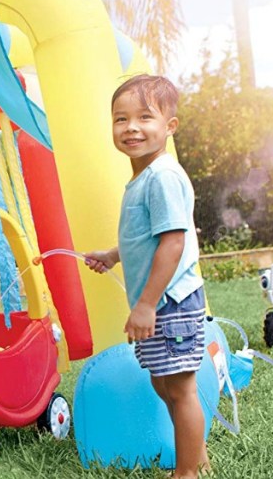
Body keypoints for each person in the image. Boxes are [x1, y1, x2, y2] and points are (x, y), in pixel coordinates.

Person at [84, 75, 209, 478]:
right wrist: (113, 255)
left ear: (169, 126)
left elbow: (173, 242)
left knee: (180, 387)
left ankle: (188, 472)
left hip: (170, 301)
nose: (131, 127)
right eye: (121, 119)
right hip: (161, 302)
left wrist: (146, 304)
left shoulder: (162, 177)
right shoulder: (145, 178)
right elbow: (148, 236)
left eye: (144, 117)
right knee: (165, 384)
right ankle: (197, 460)